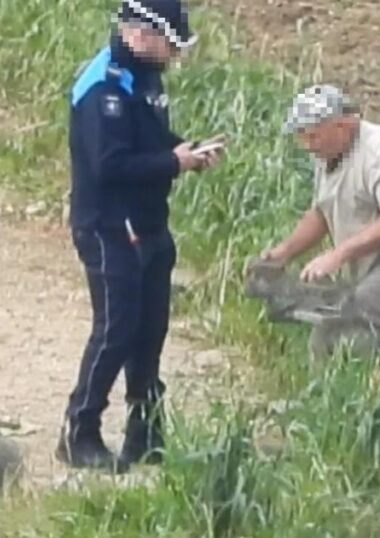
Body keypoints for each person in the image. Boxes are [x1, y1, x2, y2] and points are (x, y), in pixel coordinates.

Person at [57, 0, 224, 473]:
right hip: (109, 227)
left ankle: (145, 433)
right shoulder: (101, 88)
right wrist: (175, 163)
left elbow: (148, 139)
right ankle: (79, 432)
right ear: (138, 34)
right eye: (170, 45)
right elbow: (109, 166)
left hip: (150, 223)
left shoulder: (145, 76)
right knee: (115, 331)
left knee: (150, 331)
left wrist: (181, 148)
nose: (174, 55)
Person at [261, 84, 380, 363]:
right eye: (302, 137)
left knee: (333, 336)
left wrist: (338, 254)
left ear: (341, 126)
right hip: (377, 268)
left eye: (313, 136)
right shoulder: (328, 153)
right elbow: (323, 212)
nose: (307, 145)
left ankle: (334, 401)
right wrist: (283, 253)